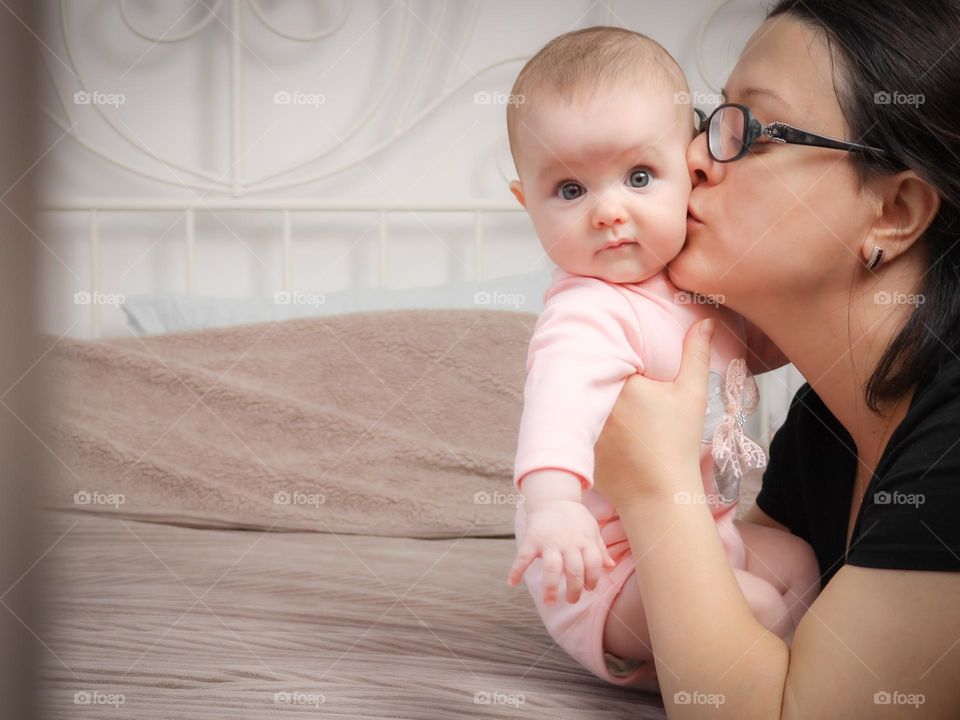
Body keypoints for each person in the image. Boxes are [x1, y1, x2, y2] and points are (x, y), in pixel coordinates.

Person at [592, 1, 960, 716]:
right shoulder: (830, 415)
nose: (691, 157)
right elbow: (734, 608)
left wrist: (654, 485)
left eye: (750, 131)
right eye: (714, 118)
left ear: (895, 212)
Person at [504, 26, 820, 688]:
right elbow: (557, 408)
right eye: (569, 190)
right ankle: (705, 676)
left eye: (640, 177)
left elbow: (758, 348)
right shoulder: (588, 311)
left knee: (795, 562)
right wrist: (554, 506)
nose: (608, 211)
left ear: (691, 174)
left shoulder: (699, 288)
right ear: (525, 204)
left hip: (700, 536)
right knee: (757, 604)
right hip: (607, 572)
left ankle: (756, 666)